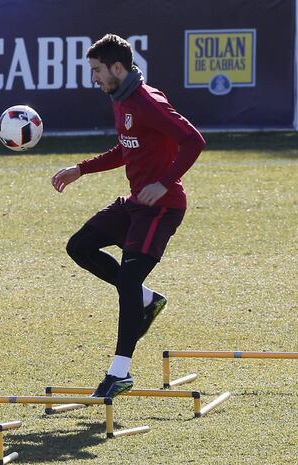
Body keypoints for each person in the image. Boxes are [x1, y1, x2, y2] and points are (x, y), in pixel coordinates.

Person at [51, 34, 206, 398]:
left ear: (117, 68)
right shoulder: (120, 98)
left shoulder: (147, 100)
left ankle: (119, 372)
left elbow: (193, 140)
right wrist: (82, 169)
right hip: (135, 204)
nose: (93, 78)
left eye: (96, 71)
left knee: (127, 281)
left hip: (162, 208)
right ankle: (147, 300)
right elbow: (128, 147)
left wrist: (166, 182)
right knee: (80, 247)